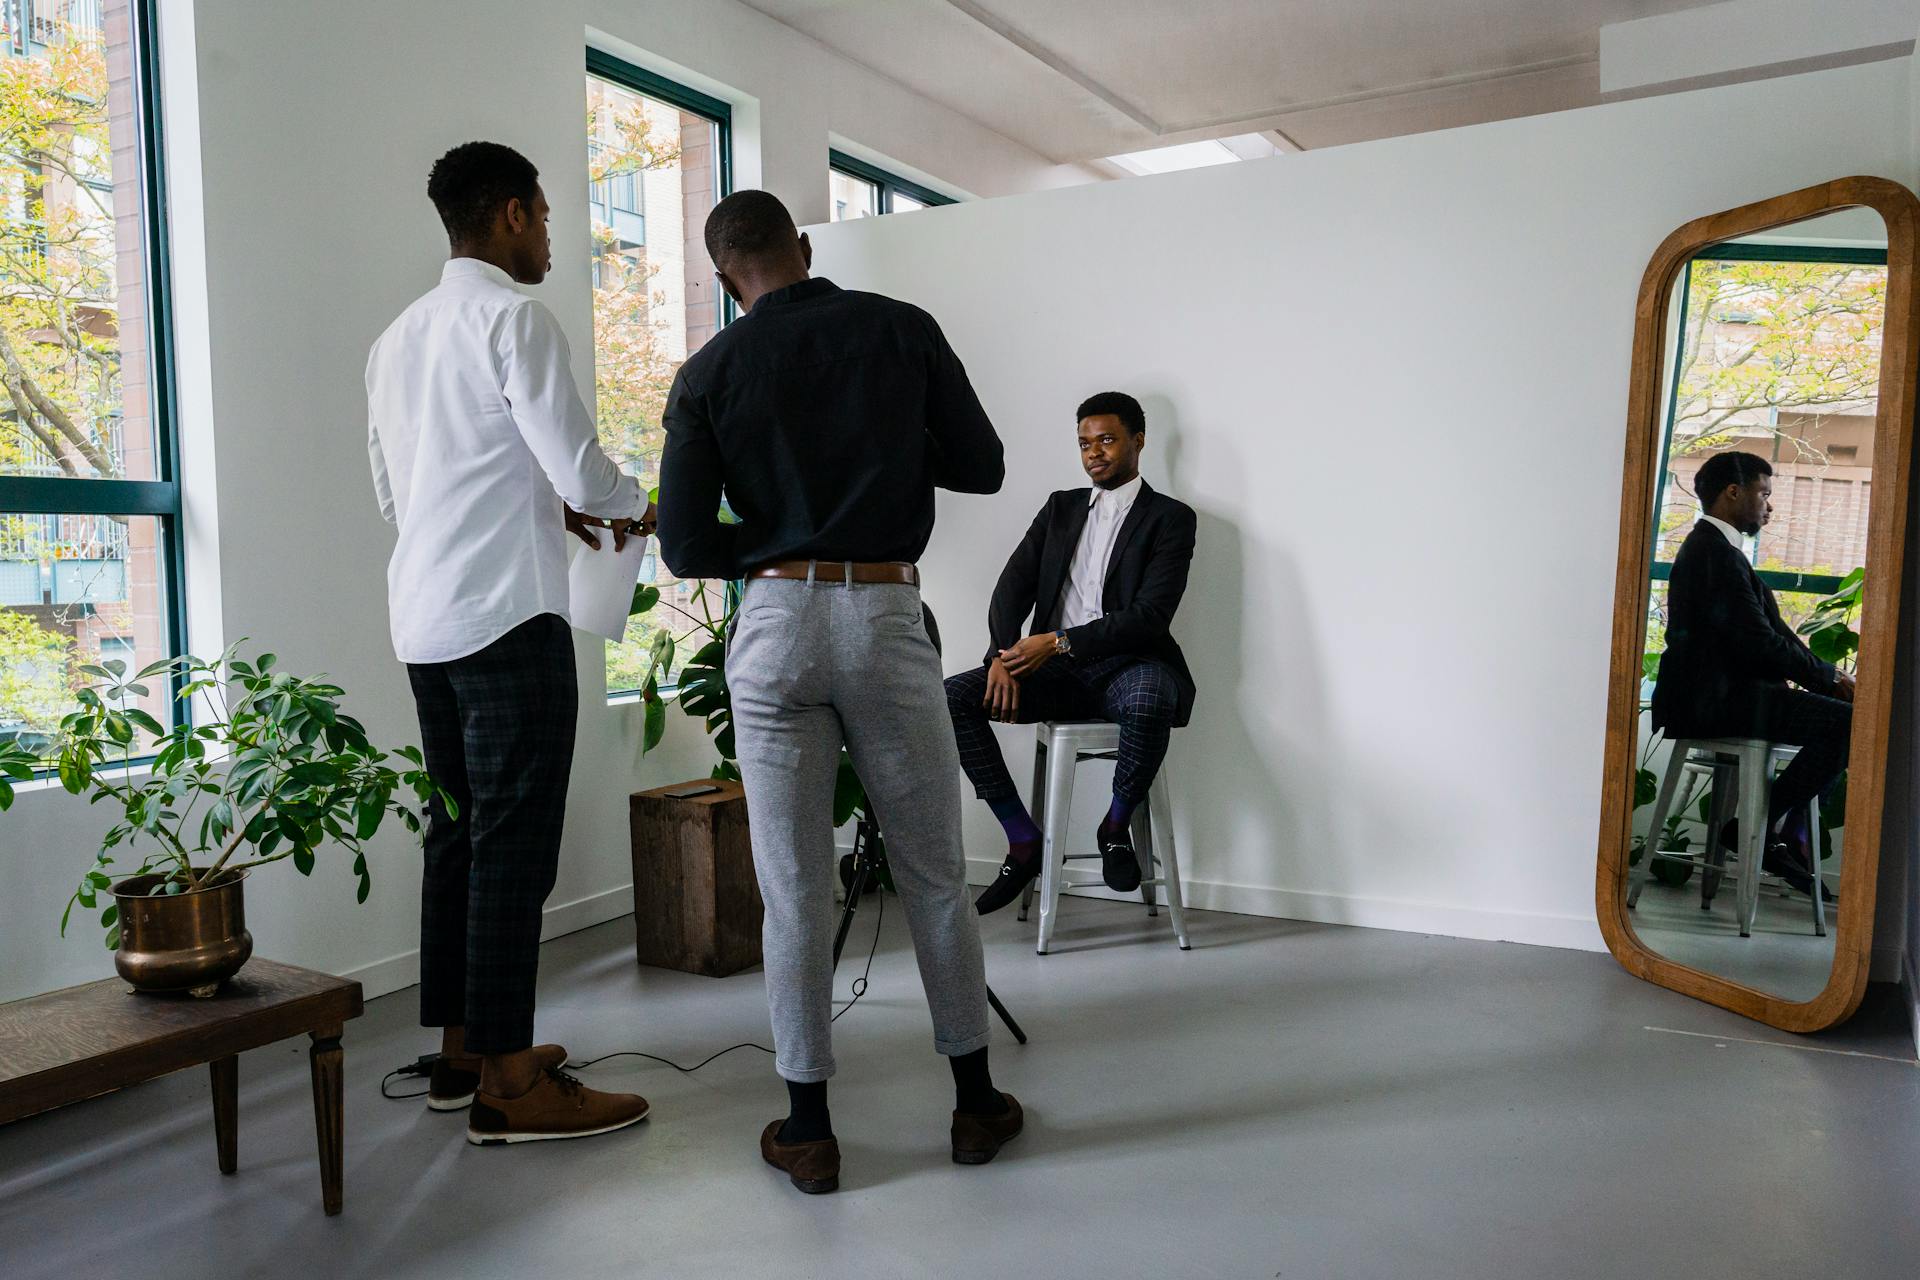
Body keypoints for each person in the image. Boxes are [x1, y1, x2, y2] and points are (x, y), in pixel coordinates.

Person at [656, 189, 1022, 1195]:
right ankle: (976, 1104)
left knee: (792, 885)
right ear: (804, 250)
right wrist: (891, 465)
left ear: (727, 278)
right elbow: (984, 466)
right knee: (934, 871)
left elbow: (686, 545)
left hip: (773, 627)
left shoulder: (709, 370)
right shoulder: (901, 329)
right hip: (882, 611)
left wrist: (775, 545)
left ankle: (809, 1127)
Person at [366, 141, 654, 1145]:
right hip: (508, 618)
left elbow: (404, 492)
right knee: (512, 846)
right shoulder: (514, 318)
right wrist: (633, 508)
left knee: (457, 834)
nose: (550, 234)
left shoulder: (395, 338)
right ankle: (511, 1082)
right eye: (543, 211)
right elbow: (580, 467)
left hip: (426, 619)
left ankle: (459, 1051)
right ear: (512, 215)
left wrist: (541, 508)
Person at [945, 392, 1197, 915]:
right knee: (951, 697)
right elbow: (1010, 587)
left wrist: (1059, 640)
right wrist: (1000, 655)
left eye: (1106, 440)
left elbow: (1150, 616)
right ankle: (1022, 841)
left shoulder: (1170, 518)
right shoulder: (1060, 508)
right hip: (1052, 671)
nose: (1094, 453)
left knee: (1151, 697)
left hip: (1130, 664)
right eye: (1085, 443)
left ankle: (1114, 826)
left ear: (1138, 442)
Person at [1650, 450, 1854, 898]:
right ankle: (1757, 830)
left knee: (1845, 713)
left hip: (1724, 695)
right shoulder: (1713, 554)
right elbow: (1758, 642)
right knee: (1850, 724)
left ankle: (1768, 832)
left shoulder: (1719, 550)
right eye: (1764, 493)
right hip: (1714, 701)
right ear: (1733, 492)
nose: (1770, 505)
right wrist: (1830, 680)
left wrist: (1831, 678)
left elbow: (1774, 633)